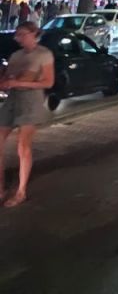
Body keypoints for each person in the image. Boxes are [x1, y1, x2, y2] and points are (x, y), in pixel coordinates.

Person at [0, 22, 54, 206]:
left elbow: (48, 83)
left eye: (22, 34)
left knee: (23, 146)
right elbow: (8, 79)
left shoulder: (44, 54)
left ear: (33, 34)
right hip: (12, 101)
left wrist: (19, 83)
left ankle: (21, 191)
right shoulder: (16, 55)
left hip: (31, 102)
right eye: (17, 35)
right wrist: (6, 82)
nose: (19, 38)